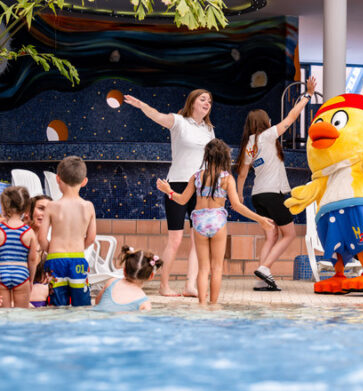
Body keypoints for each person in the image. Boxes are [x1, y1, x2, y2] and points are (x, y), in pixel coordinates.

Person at [157, 139, 274, 305]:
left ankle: (202, 304)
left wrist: (169, 191)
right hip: (218, 222)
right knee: (217, 268)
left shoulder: (197, 177)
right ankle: (213, 305)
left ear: (206, 156)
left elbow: (182, 200)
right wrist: (260, 219)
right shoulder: (227, 179)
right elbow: (237, 206)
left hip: (198, 222)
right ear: (224, 158)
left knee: (203, 269)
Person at [124, 89, 216, 298]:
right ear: (192, 102)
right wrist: (141, 105)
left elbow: (212, 158)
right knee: (175, 238)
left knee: (198, 238)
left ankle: (190, 285)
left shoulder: (209, 129)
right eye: (203, 99)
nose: (207, 103)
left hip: (201, 186)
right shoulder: (178, 122)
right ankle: (164, 285)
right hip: (177, 183)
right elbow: (156, 115)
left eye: (209, 101)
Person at [236, 76, 317, 291]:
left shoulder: (249, 145)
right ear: (264, 123)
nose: (272, 122)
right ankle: (265, 269)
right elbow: (291, 118)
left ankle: (261, 278)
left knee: (270, 235)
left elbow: (243, 174)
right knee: (289, 234)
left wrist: (239, 195)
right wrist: (307, 95)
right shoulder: (266, 136)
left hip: (258, 196)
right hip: (273, 194)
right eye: (269, 120)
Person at [38, 156, 97, 306]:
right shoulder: (88, 206)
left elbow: (41, 237)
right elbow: (91, 238)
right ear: (84, 181)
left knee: (57, 305)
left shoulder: (52, 206)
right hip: (77, 259)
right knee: (81, 306)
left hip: (55, 260)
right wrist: (78, 248)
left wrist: (50, 250)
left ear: (58, 179)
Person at [94, 246, 161, 312]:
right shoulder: (144, 303)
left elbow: (97, 301)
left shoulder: (111, 282)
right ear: (151, 276)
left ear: (124, 271)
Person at [0, 186, 36, 308]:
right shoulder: (29, 232)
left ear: (4, 206)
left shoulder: (0, 230)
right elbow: (32, 260)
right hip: (21, 273)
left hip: (1, 273)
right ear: (26, 208)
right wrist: (30, 280)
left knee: (3, 315)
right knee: (22, 315)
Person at [25, 195, 52, 307]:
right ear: (28, 211)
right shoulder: (13, 239)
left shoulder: (47, 248)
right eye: (41, 208)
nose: (45, 214)